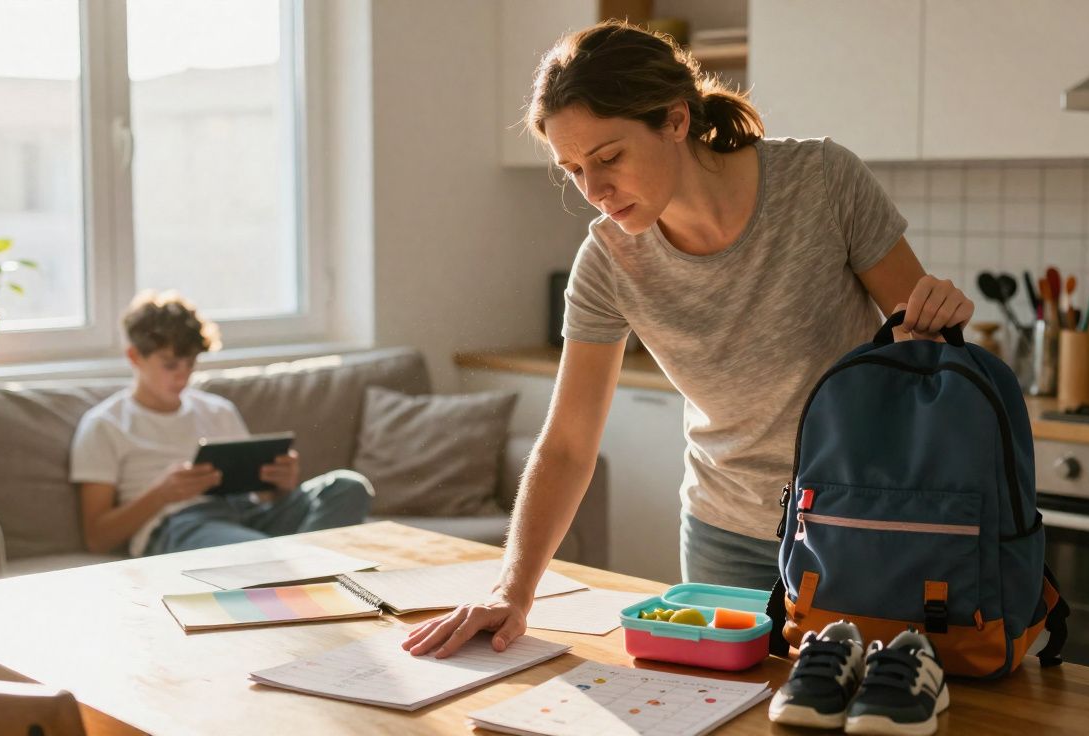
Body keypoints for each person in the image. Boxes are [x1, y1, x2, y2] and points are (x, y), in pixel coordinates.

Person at [404, 21, 973, 659]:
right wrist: (513, 591)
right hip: (723, 530)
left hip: (860, 524)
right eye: (572, 170)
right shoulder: (608, 262)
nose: (593, 192)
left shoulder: (821, 180)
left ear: (675, 119)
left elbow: (924, 358)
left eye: (609, 157)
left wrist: (937, 315)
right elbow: (567, 444)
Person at [70, 290, 373, 557]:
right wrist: (161, 494)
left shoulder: (217, 410)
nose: (182, 376)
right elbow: (97, 538)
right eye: (170, 364)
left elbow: (260, 496)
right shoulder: (104, 425)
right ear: (135, 357)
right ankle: (299, 568)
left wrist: (278, 486)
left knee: (348, 486)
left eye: (190, 363)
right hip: (180, 524)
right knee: (257, 551)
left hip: (246, 514)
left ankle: (293, 568)